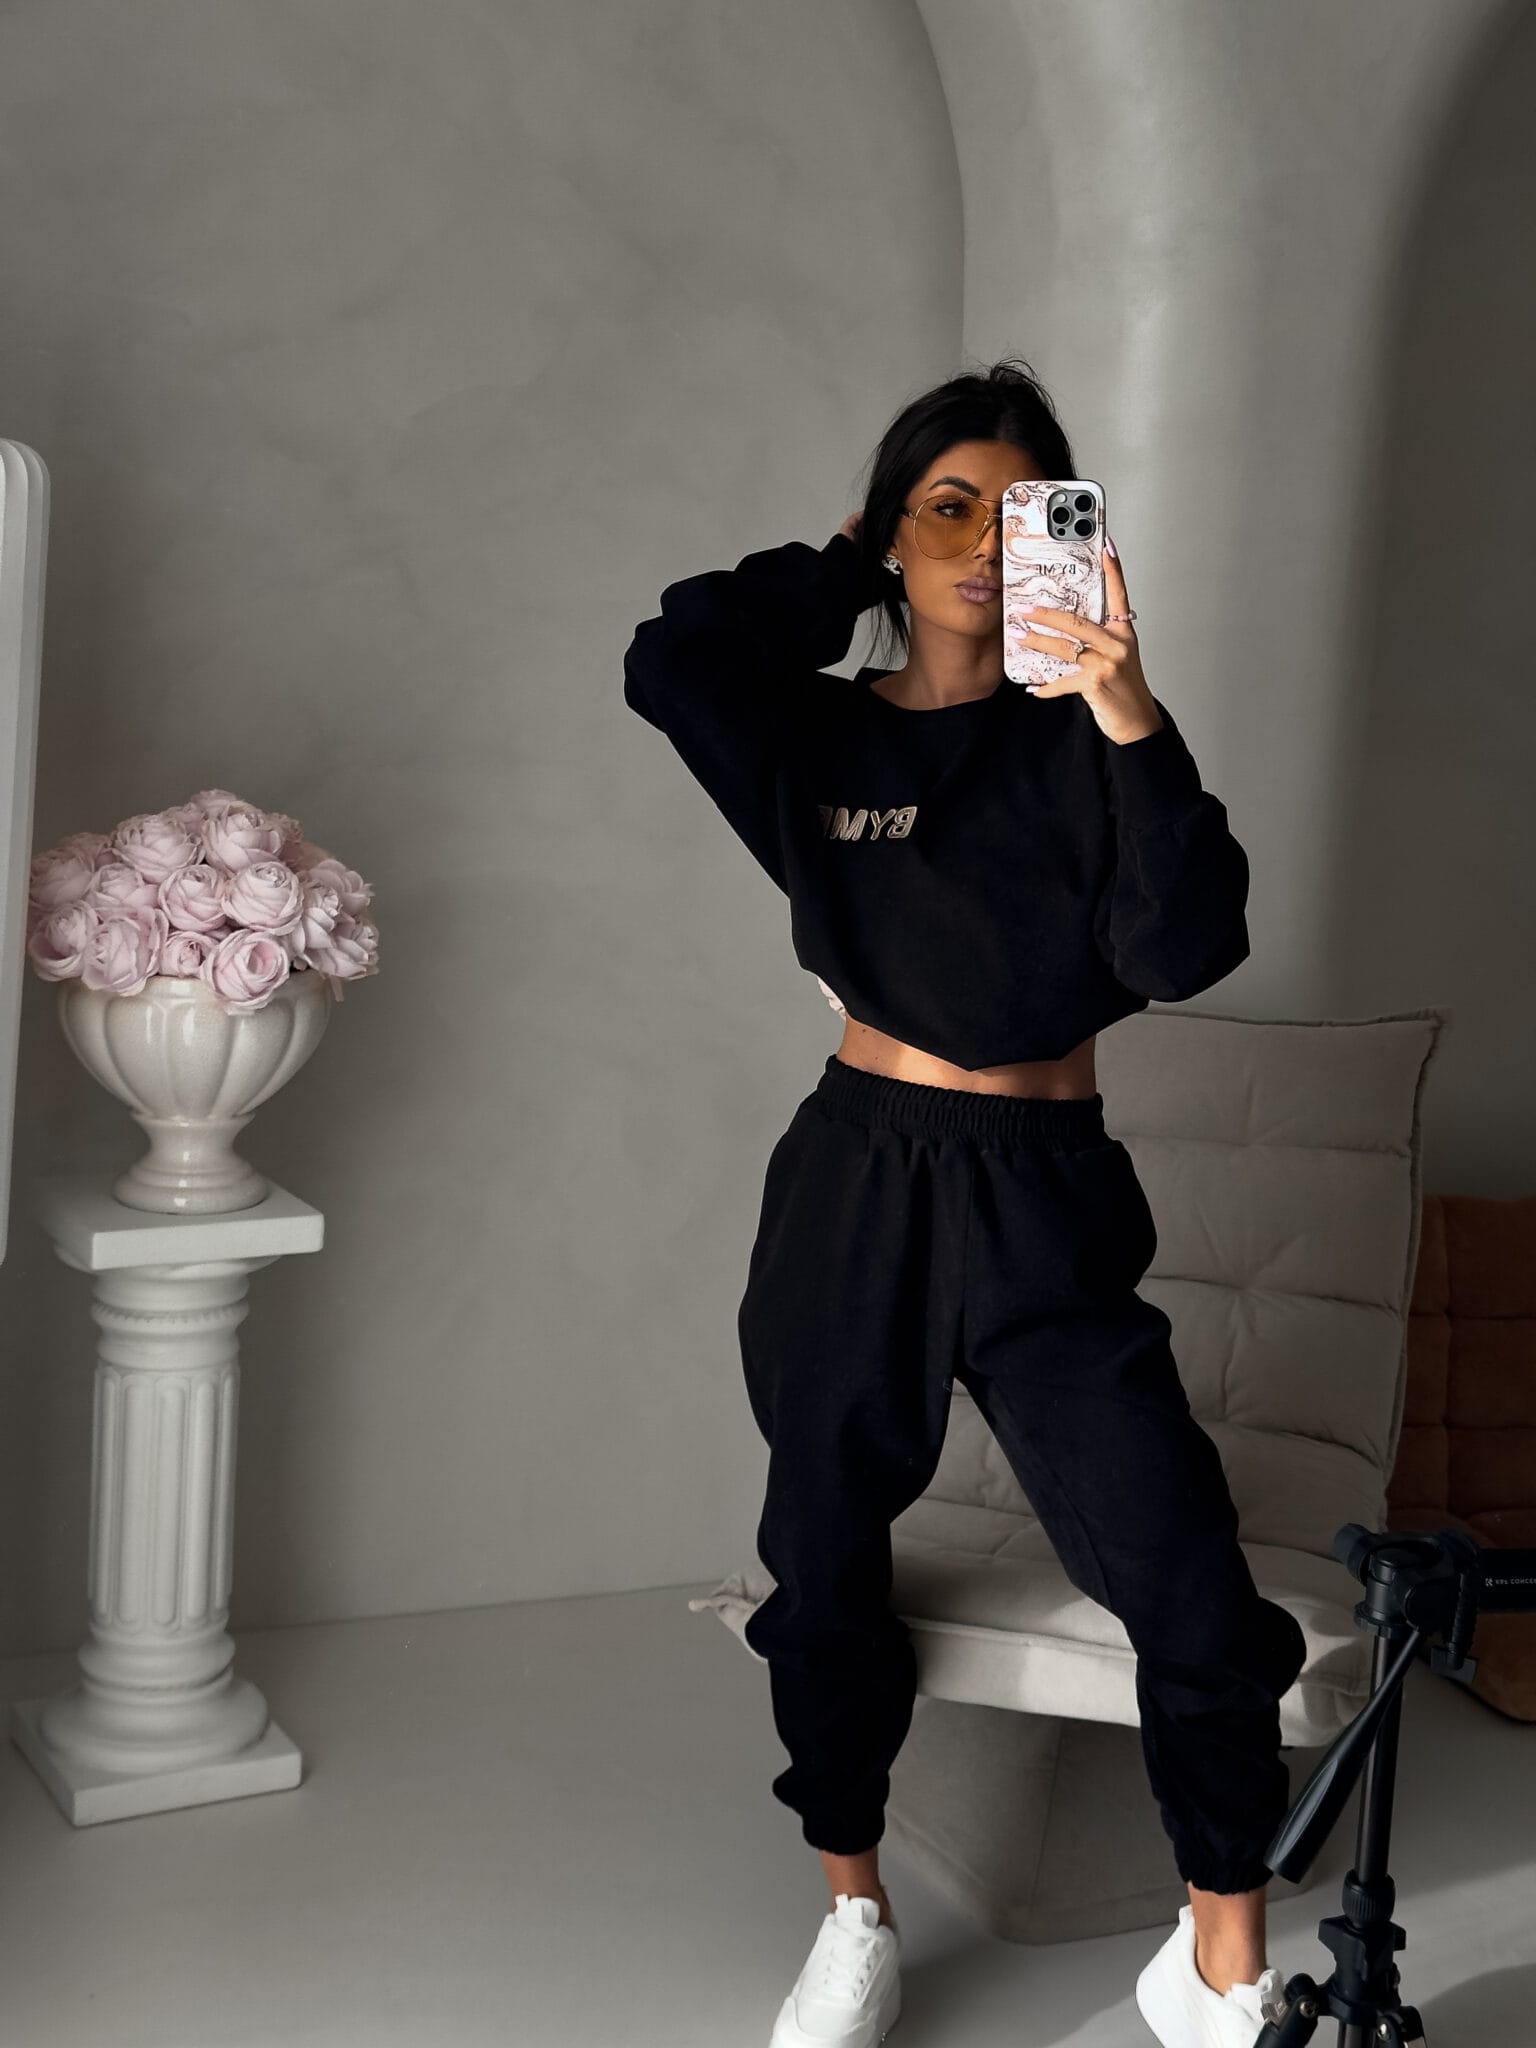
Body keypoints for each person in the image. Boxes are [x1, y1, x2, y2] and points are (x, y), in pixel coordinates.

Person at [622, 360, 1307, 2048]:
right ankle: (853, 1912)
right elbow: (672, 659)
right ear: (889, 530)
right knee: (824, 1561)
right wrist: (843, 562)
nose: (988, 547)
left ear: (1080, 539)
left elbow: (1185, 949)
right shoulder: (817, 738)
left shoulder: (1094, 741)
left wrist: (1129, 706)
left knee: (1189, 1586)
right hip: (859, 1183)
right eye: (950, 511)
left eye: (1026, 516)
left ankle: (1220, 1961)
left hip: (1048, 1195)